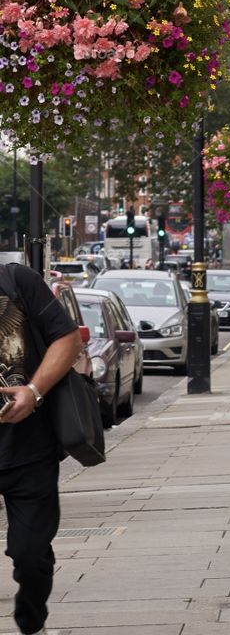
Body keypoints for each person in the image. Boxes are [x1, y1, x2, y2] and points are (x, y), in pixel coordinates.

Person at [0, 262, 84, 635]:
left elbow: (68, 339)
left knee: (32, 556)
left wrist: (33, 392)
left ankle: (32, 623)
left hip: (28, 450)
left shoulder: (16, 281)